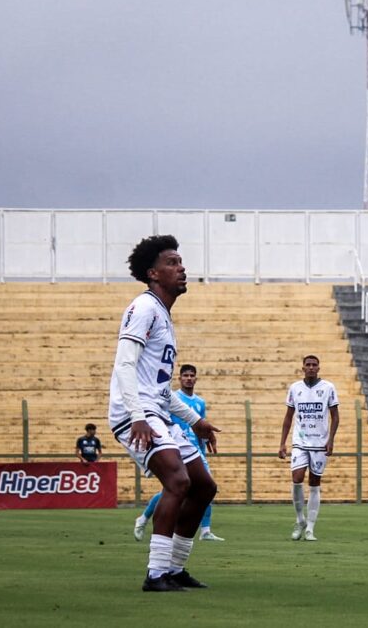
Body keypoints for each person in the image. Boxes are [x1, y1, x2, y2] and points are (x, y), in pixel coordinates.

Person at [109, 234, 220, 592]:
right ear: (153, 273)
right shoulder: (143, 308)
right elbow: (124, 365)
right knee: (177, 482)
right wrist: (138, 416)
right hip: (135, 415)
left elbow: (160, 388)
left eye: (180, 261)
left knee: (203, 486)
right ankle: (156, 573)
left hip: (155, 410)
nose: (181, 267)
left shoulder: (163, 315)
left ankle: (174, 568)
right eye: (172, 262)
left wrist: (196, 421)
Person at [134, 365, 224, 542]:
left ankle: (205, 530)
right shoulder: (173, 397)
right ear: (180, 378)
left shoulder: (200, 402)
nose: (189, 378)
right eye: (185, 375)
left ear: (196, 378)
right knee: (176, 488)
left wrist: (204, 447)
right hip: (177, 446)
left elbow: (200, 425)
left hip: (195, 449)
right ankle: (144, 518)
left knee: (205, 486)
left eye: (192, 375)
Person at [278, 355, 339, 541]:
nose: (311, 367)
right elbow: (288, 417)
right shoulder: (295, 388)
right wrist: (282, 442)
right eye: (308, 365)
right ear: (302, 368)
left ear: (319, 368)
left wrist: (331, 440)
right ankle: (299, 520)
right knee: (297, 478)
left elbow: (335, 416)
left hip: (320, 443)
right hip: (300, 441)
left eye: (314, 365)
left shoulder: (328, 388)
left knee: (314, 483)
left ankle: (310, 528)